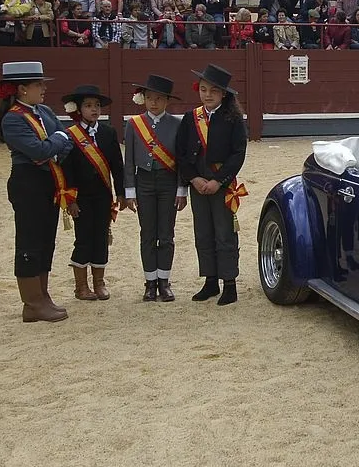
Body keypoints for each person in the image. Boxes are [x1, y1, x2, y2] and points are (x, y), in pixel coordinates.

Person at [0, 61, 74, 323]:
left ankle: (41, 296)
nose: (43, 89)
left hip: (48, 179)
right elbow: (40, 150)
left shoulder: (43, 111)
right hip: (28, 182)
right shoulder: (13, 119)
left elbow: (64, 142)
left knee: (45, 240)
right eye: (38, 85)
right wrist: (54, 143)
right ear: (22, 89)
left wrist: (52, 145)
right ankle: (32, 301)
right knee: (29, 240)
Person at [177, 65, 248, 305]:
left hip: (222, 183)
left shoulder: (233, 118)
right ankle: (210, 281)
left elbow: (238, 153)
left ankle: (229, 284)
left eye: (214, 91)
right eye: (204, 89)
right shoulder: (190, 118)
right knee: (203, 232)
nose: (207, 95)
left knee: (225, 232)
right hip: (198, 183)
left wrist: (219, 181)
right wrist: (193, 179)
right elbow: (181, 153)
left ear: (223, 94)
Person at [124, 75, 188, 302]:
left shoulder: (177, 124)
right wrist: (129, 191)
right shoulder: (133, 124)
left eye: (159, 99)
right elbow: (129, 160)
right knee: (147, 233)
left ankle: (164, 281)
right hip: (144, 183)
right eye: (150, 98)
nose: (154, 103)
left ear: (167, 101)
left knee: (166, 234)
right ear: (143, 99)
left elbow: (181, 160)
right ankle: (149, 282)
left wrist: (182, 189)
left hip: (168, 182)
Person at [60, 85, 125, 301]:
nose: (94, 110)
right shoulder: (70, 135)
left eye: (97, 105)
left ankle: (99, 282)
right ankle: (81, 286)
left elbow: (117, 165)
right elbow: (66, 171)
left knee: (101, 237)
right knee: (84, 239)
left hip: (103, 195)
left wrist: (121, 193)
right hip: (82, 198)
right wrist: (70, 200)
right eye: (88, 106)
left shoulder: (108, 132)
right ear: (78, 109)